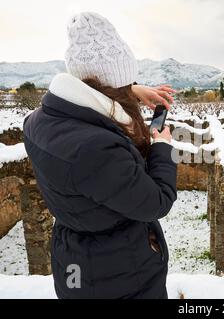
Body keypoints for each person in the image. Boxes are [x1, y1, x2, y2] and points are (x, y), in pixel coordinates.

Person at [23, 12, 177, 299]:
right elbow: (156, 202)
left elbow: (88, 94)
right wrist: (162, 148)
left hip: (75, 258)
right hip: (119, 271)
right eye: (125, 80)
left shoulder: (37, 122)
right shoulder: (97, 150)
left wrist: (129, 90)